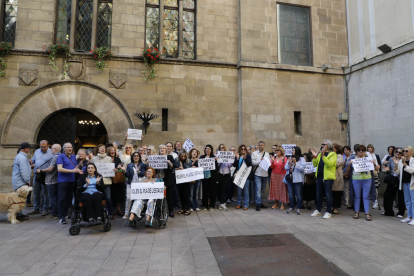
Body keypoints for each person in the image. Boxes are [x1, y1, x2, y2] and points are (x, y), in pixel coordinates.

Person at [310, 140, 337, 219]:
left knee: (328, 195)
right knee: (318, 195)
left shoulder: (333, 154)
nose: (322, 145)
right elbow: (315, 164)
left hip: (327, 178)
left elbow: (329, 164)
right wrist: (315, 157)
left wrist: (323, 156)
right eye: (322, 144)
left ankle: (328, 212)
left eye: (324, 144)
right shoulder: (319, 154)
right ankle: (318, 210)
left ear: (328, 145)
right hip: (319, 177)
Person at [57, 142, 81, 224]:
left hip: (72, 180)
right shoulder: (61, 156)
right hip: (63, 181)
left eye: (71, 147)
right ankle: (62, 217)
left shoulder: (74, 156)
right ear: (64, 149)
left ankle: (67, 214)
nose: (70, 149)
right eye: (68, 147)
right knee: (62, 199)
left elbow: (75, 167)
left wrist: (79, 170)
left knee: (69, 199)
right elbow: (59, 169)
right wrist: (72, 171)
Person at [348, 145, 373, 221]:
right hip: (356, 179)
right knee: (357, 196)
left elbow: (376, 168)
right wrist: (349, 164)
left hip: (367, 178)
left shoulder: (368, 158)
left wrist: (376, 164)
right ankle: (356, 212)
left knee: (366, 196)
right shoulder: (353, 158)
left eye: (363, 150)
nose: (361, 152)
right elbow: (347, 170)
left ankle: (367, 213)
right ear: (356, 151)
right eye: (359, 150)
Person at [36, 144, 61, 219]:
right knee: (55, 197)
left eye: (52, 149)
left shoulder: (56, 157)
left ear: (55, 149)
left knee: (52, 197)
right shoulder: (60, 156)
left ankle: (54, 213)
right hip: (55, 179)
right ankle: (56, 212)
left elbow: (50, 169)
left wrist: (40, 170)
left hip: (51, 180)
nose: (50, 150)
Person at [28, 140, 52, 216]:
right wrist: (30, 161)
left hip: (46, 175)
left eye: (44, 147)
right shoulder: (37, 151)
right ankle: (36, 208)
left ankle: (45, 208)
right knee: (36, 192)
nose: (43, 148)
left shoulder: (51, 152)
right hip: (36, 174)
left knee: (45, 193)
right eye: (41, 147)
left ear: (48, 145)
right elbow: (33, 159)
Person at [91, 144, 114, 219]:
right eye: (100, 148)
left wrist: (113, 171)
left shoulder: (109, 158)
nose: (102, 149)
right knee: (97, 197)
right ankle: (97, 213)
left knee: (108, 198)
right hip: (97, 181)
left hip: (107, 180)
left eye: (103, 148)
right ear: (98, 150)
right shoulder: (94, 159)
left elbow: (110, 168)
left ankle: (110, 213)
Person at [12, 142, 32, 221]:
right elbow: (23, 171)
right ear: (25, 149)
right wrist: (28, 181)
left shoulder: (20, 156)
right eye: (29, 148)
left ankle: (19, 214)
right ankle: (18, 215)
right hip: (21, 182)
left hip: (18, 181)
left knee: (19, 198)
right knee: (19, 199)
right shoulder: (22, 158)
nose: (29, 149)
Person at [382, 148, 405, 217]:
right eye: (396, 152)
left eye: (400, 152)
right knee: (387, 195)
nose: (398, 153)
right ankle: (388, 211)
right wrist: (387, 170)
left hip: (401, 179)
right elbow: (389, 168)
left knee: (400, 196)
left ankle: (401, 212)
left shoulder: (404, 160)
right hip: (392, 179)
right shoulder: (392, 159)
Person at [124, 152, 146, 219]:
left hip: (139, 185)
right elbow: (127, 175)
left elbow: (143, 174)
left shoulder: (142, 165)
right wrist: (125, 171)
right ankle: (126, 214)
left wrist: (138, 171)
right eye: (134, 156)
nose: (136, 157)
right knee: (128, 199)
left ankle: (136, 213)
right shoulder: (129, 165)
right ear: (132, 157)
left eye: (137, 156)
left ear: (139, 157)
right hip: (130, 184)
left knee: (138, 199)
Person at [284, 146, 306, 215]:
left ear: (297, 151)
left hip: (298, 179)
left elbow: (302, 168)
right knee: (291, 195)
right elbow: (285, 168)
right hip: (290, 179)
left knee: (298, 195)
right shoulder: (290, 158)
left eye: (294, 150)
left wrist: (296, 163)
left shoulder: (302, 159)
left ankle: (299, 208)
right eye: (292, 150)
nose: (292, 151)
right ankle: (291, 207)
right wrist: (289, 163)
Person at [158, 144, 177, 217]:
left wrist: (169, 163)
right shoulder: (156, 157)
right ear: (159, 150)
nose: (162, 149)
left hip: (168, 179)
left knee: (169, 196)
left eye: (163, 148)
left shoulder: (169, 157)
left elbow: (173, 167)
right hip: (159, 179)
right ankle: (159, 211)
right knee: (159, 196)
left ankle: (170, 211)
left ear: (166, 150)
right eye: (160, 148)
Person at [397, 146, 414, 225]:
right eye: (404, 151)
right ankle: (409, 217)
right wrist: (396, 166)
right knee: (407, 201)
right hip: (404, 182)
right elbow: (398, 173)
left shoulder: (413, 160)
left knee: (413, 201)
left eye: (406, 151)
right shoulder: (401, 161)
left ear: (411, 152)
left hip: (412, 183)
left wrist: (404, 164)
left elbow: (412, 170)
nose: (404, 152)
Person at [198, 144, 219, 210]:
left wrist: (217, 160)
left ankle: (212, 205)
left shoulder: (214, 158)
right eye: (206, 149)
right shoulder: (201, 157)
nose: (207, 150)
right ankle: (205, 205)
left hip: (212, 177)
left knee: (212, 192)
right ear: (205, 150)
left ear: (211, 150)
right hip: (204, 177)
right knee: (205, 191)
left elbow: (216, 168)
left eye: (209, 149)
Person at [251, 141, 270, 211]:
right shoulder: (254, 153)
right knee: (258, 190)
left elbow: (269, 163)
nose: (260, 146)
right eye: (259, 145)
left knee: (262, 190)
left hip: (265, 174)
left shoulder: (267, 154)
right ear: (258, 146)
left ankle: (261, 202)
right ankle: (258, 204)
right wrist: (260, 160)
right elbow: (253, 163)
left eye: (262, 145)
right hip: (257, 174)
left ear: (264, 146)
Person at [108, 146, 125, 219]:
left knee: (118, 195)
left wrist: (118, 168)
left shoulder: (117, 159)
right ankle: (110, 211)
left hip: (117, 180)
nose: (113, 152)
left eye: (114, 150)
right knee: (109, 196)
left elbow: (120, 167)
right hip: (108, 179)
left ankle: (118, 210)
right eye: (111, 150)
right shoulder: (107, 159)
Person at [233, 144, 251, 210]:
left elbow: (249, 164)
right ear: (240, 150)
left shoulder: (248, 155)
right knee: (239, 191)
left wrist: (245, 158)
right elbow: (234, 165)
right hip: (239, 176)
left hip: (246, 176)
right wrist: (237, 158)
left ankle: (246, 204)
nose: (243, 150)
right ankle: (238, 204)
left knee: (246, 191)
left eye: (244, 149)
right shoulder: (238, 156)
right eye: (242, 149)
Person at [217, 144, 232, 211]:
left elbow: (230, 165)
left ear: (224, 148)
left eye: (223, 147)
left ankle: (222, 203)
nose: (221, 149)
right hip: (220, 174)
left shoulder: (227, 155)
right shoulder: (217, 155)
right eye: (220, 148)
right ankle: (221, 203)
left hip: (226, 173)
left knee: (224, 188)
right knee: (220, 188)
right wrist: (219, 161)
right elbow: (216, 166)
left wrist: (231, 160)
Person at [367, 144, 381, 209]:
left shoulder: (376, 155)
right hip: (368, 173)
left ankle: (375, 202)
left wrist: (376, 165)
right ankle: (369, 201)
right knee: (368, 188)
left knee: (375, 188)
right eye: (369, 148)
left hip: (374, 172)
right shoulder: (366, 155)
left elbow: (378, 165)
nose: (370, 149)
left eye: (371, 147)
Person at [332, 144, 344, 214]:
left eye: (334, 148)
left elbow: (337, 163)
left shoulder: (339, 156)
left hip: (337, 176)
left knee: (337, 193)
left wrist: (329, 162)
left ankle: (336, 207)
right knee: (331, 193)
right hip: (330, 176)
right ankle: (332, 206)